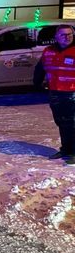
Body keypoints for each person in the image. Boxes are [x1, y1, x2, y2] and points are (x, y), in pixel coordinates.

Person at [33, 24, 75, 163]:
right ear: (56, 37)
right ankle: (65, 149)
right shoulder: (49, 51)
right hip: (56, 92)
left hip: (73, 93)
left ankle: (73, 152)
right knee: (61, 122)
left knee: (73, 123)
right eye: (63, 34)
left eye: (69, 34)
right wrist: (37, 83)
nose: (67, 37)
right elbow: (41, 68)